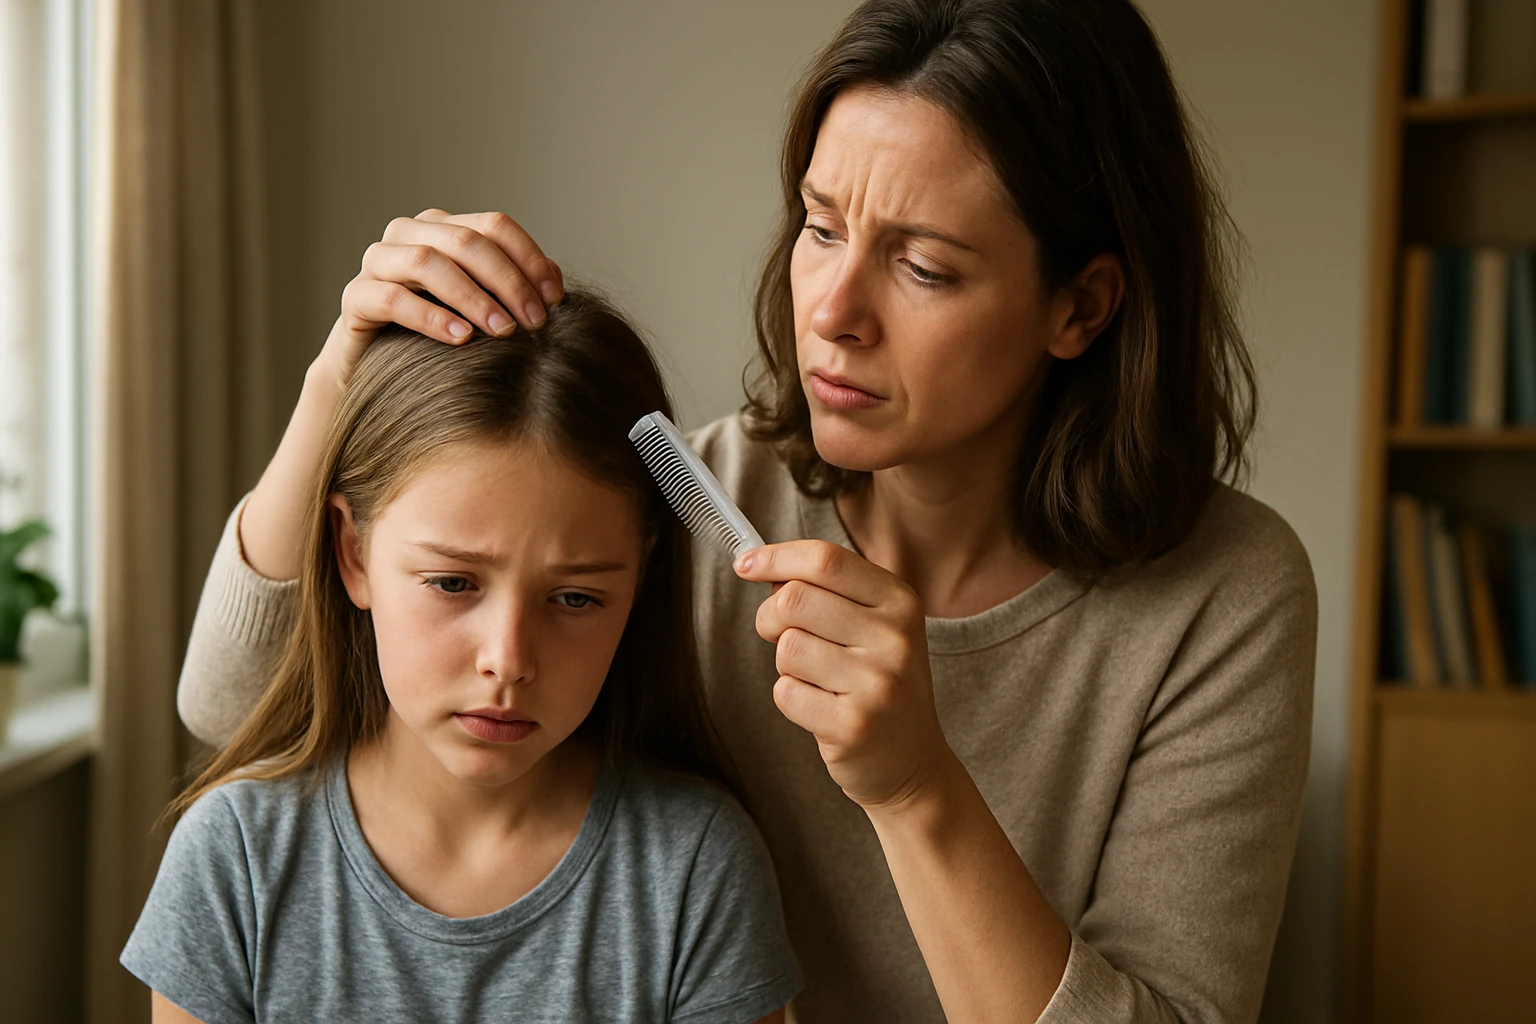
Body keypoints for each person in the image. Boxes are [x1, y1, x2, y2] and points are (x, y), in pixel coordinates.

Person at [178, 1, 1318, 1021]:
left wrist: (918, 787)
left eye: (922, 266)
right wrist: (339, 380)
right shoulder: (701, 498)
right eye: (821, 227)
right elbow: (237, 705)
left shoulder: (1224, 593)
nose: (832, 310)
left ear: (1082, 305)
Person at [126, 293, 799, 1024]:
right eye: (452, 583)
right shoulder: (236, 860)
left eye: (575, 599)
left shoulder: (696, 869)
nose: (507, 661)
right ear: (354, 554)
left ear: (639, 580)